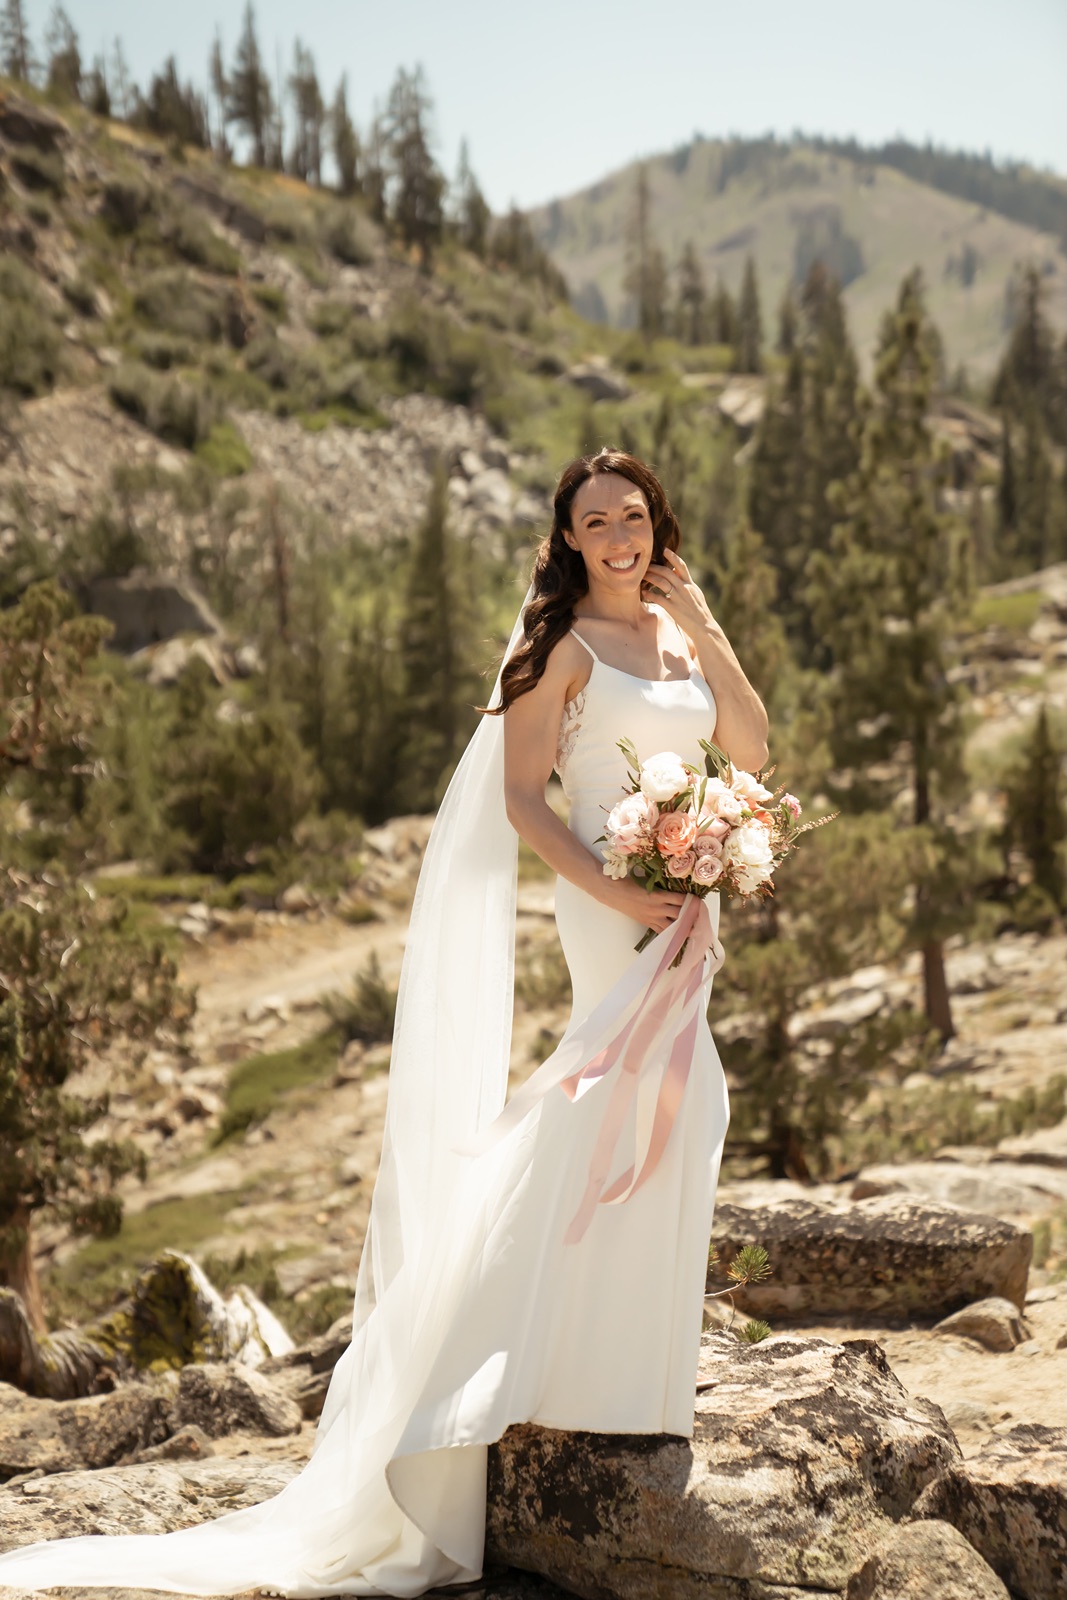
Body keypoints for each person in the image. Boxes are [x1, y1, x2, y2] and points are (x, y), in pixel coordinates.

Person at [0, 449, 768, 1598]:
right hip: (610, 899)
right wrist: (617, 889)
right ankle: (513, 1373)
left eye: (632, 516)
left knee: (681, 1107)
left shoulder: (675, 634)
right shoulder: (556, 647)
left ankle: (631, 1386)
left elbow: (748, 749)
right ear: (565, 539)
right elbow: (519, 798)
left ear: (658, 520)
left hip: (683, 901)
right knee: (631, 1103)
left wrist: (707, 638)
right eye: (592, 520)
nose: (615, 535)